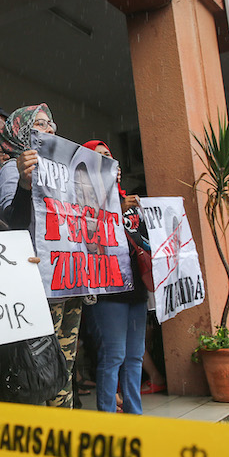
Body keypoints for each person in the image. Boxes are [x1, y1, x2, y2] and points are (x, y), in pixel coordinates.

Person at [0, 104, 81, 408]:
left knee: (64, 372)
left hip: (70, 282)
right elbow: (12, 219)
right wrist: (24, 182)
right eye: (41, 124)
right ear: (22, 130)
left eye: (51, 124)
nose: (51, 129)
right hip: (42, 284)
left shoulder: (63, 174)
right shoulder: (13, 169)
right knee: (43, 371)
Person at [80, 141, 150, 414]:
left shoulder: (131, 202)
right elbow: (90, 237)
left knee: (134, 356)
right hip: (110, 290)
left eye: (108, 155)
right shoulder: (83, 201)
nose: (106, 160)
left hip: (136, 290)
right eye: (98, 158)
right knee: (114, 356)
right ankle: (107, 418)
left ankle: (135, 413)